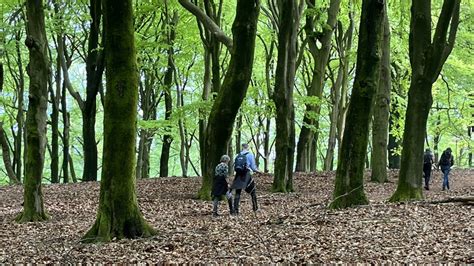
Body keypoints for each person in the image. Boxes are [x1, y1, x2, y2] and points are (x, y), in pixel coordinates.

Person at [230, 143, 259, 215]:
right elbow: (253, 167)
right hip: (246, 174)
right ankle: (255, 208)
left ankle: (235, 210)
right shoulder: (250, 155)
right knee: (253, 191)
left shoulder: (237, 155)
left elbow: (235, 166)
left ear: (242, 147)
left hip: (238, 175)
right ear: (247, 147)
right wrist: (258, 171)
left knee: (238, 193)